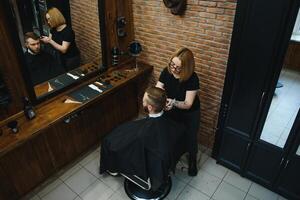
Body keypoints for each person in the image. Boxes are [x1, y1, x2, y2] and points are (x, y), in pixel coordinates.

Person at [100, 86, 185, 190]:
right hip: (163, 160)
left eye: (143, 101)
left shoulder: (143, 134)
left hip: (150, 162)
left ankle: (112, 168)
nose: (142, 102)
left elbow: (130, 147)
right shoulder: (173, 124)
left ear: (149, 107)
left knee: (109, 142)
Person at [156, 47, 200, 176]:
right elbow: (159, 89)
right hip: (171, 108)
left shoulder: (192, 78)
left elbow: (187, 104)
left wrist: (173, 102)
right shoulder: (167, 71)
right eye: (172, 64)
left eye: (178, 67)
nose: (173, 69)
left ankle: (192, 161)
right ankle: (172, 157)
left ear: (186, 68)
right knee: (172, 134)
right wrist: (163, 101)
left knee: (190, 138)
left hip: (189, 114)